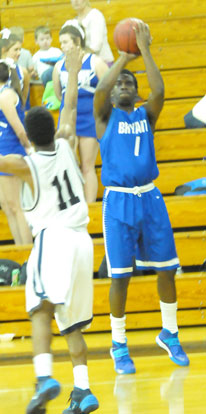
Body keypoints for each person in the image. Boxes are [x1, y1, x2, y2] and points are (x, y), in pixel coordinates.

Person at [0, 46, 99, 414]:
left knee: (39, 312)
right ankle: (83, 391)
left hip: (54, 239)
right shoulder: (67, 141)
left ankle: (44, 379)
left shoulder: (24, 164)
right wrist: (72, 71)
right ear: (53, 129)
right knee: (70, 322)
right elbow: (70, 105)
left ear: (28, 131)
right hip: (82, 242)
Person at [93, 19, 190, 374]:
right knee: (120, 276)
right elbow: (101, 90)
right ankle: (119, 344)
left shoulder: (146, 115)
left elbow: (160, 92)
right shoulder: (105, 116)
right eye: (119, 82)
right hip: (118, 201)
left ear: (135, 92)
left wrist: (145, 51)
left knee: (167, 270)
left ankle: (170, 333)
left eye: (128, 83)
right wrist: (122, 59)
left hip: (150, 199)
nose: (122, 85)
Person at [53, 21, 109, 203]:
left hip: (90, 117)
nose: (62, 46)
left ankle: (90, 206)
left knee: (87, 165)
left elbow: (109, 89)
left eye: (66, 42)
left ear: (77, 41)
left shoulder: (95, 62)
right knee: (68, 164)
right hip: (68, 117)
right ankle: (73, 204)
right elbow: (58, 94)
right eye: (61, 43)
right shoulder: (58, 66)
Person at [0, 59, 33, 244]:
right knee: (6, 206)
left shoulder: (5, 95)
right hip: (2, 150)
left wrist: (28, 148)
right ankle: (18, 251)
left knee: (15, 206)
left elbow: (19, 129)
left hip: (10, 150)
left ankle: (26, 251)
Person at [66, 0, 114, 66]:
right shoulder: (73, 22)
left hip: (103, 63)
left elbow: (96, 46)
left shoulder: (95, 15)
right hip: (85, 64)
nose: (76, 1)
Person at [0, 29, 30, 108]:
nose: (19, 53)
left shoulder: (23, 71)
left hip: (17, 112)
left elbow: (24, 98)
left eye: (20, 49)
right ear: (4, 50)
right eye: (16, 49)